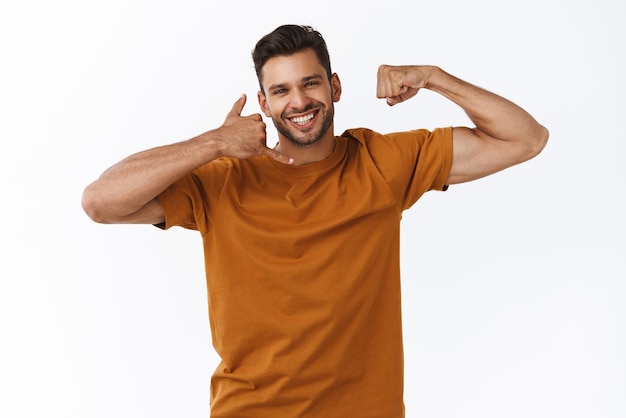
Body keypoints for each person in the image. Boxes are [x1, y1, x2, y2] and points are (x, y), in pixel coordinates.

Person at [82, 24, 548, 418]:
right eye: (281, 90)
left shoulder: (383, 162)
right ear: (264, 104)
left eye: (311, 83)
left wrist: (433, 77)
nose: (299, 101)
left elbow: (525, 139)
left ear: (335, 87)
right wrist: (213, 143)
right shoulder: (222, 179)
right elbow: (100, 202)